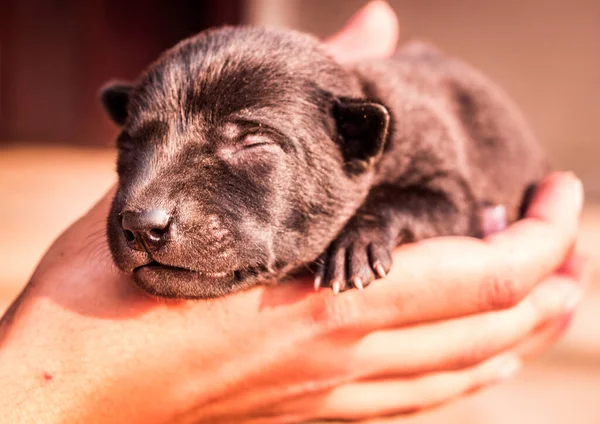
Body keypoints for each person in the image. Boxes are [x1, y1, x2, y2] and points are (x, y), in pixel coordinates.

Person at [0, 2, 587, 423]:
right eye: (135, 145)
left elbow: (448, 199)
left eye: (250, 144)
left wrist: (379, 224)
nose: (143, 207)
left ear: (354, 140)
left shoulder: (411, 130)